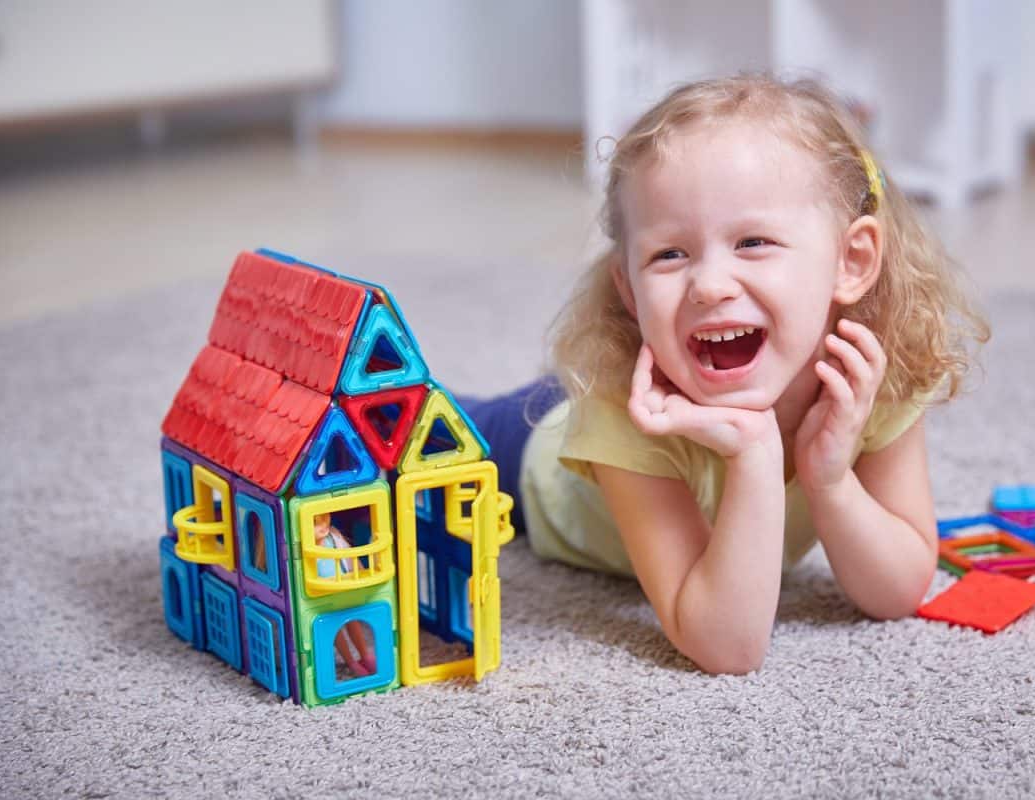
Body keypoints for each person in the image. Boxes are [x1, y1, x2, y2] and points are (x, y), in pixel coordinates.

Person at [458, 74, 988, 675]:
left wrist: (832, 479)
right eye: (669, 254)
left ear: (852, 260)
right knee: (411, 425)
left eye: (753, 242)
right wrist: (755, 454)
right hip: (534, 456)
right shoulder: (619, 407)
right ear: (628, 291)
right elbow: (725, 646)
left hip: (645, 378)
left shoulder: (869, 374)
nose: (709, 285)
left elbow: (897, 593)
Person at [312, 513, 377, 677]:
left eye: (325, 516)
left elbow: (350, 558)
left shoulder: (333, 537)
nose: (323, 524)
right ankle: (351, 662)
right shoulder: (303, 547)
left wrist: (362, 573)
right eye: (314, 522)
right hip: (322, 594)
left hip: (343, 588)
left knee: (352, 620)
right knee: (335, 627)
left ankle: (365, 654)